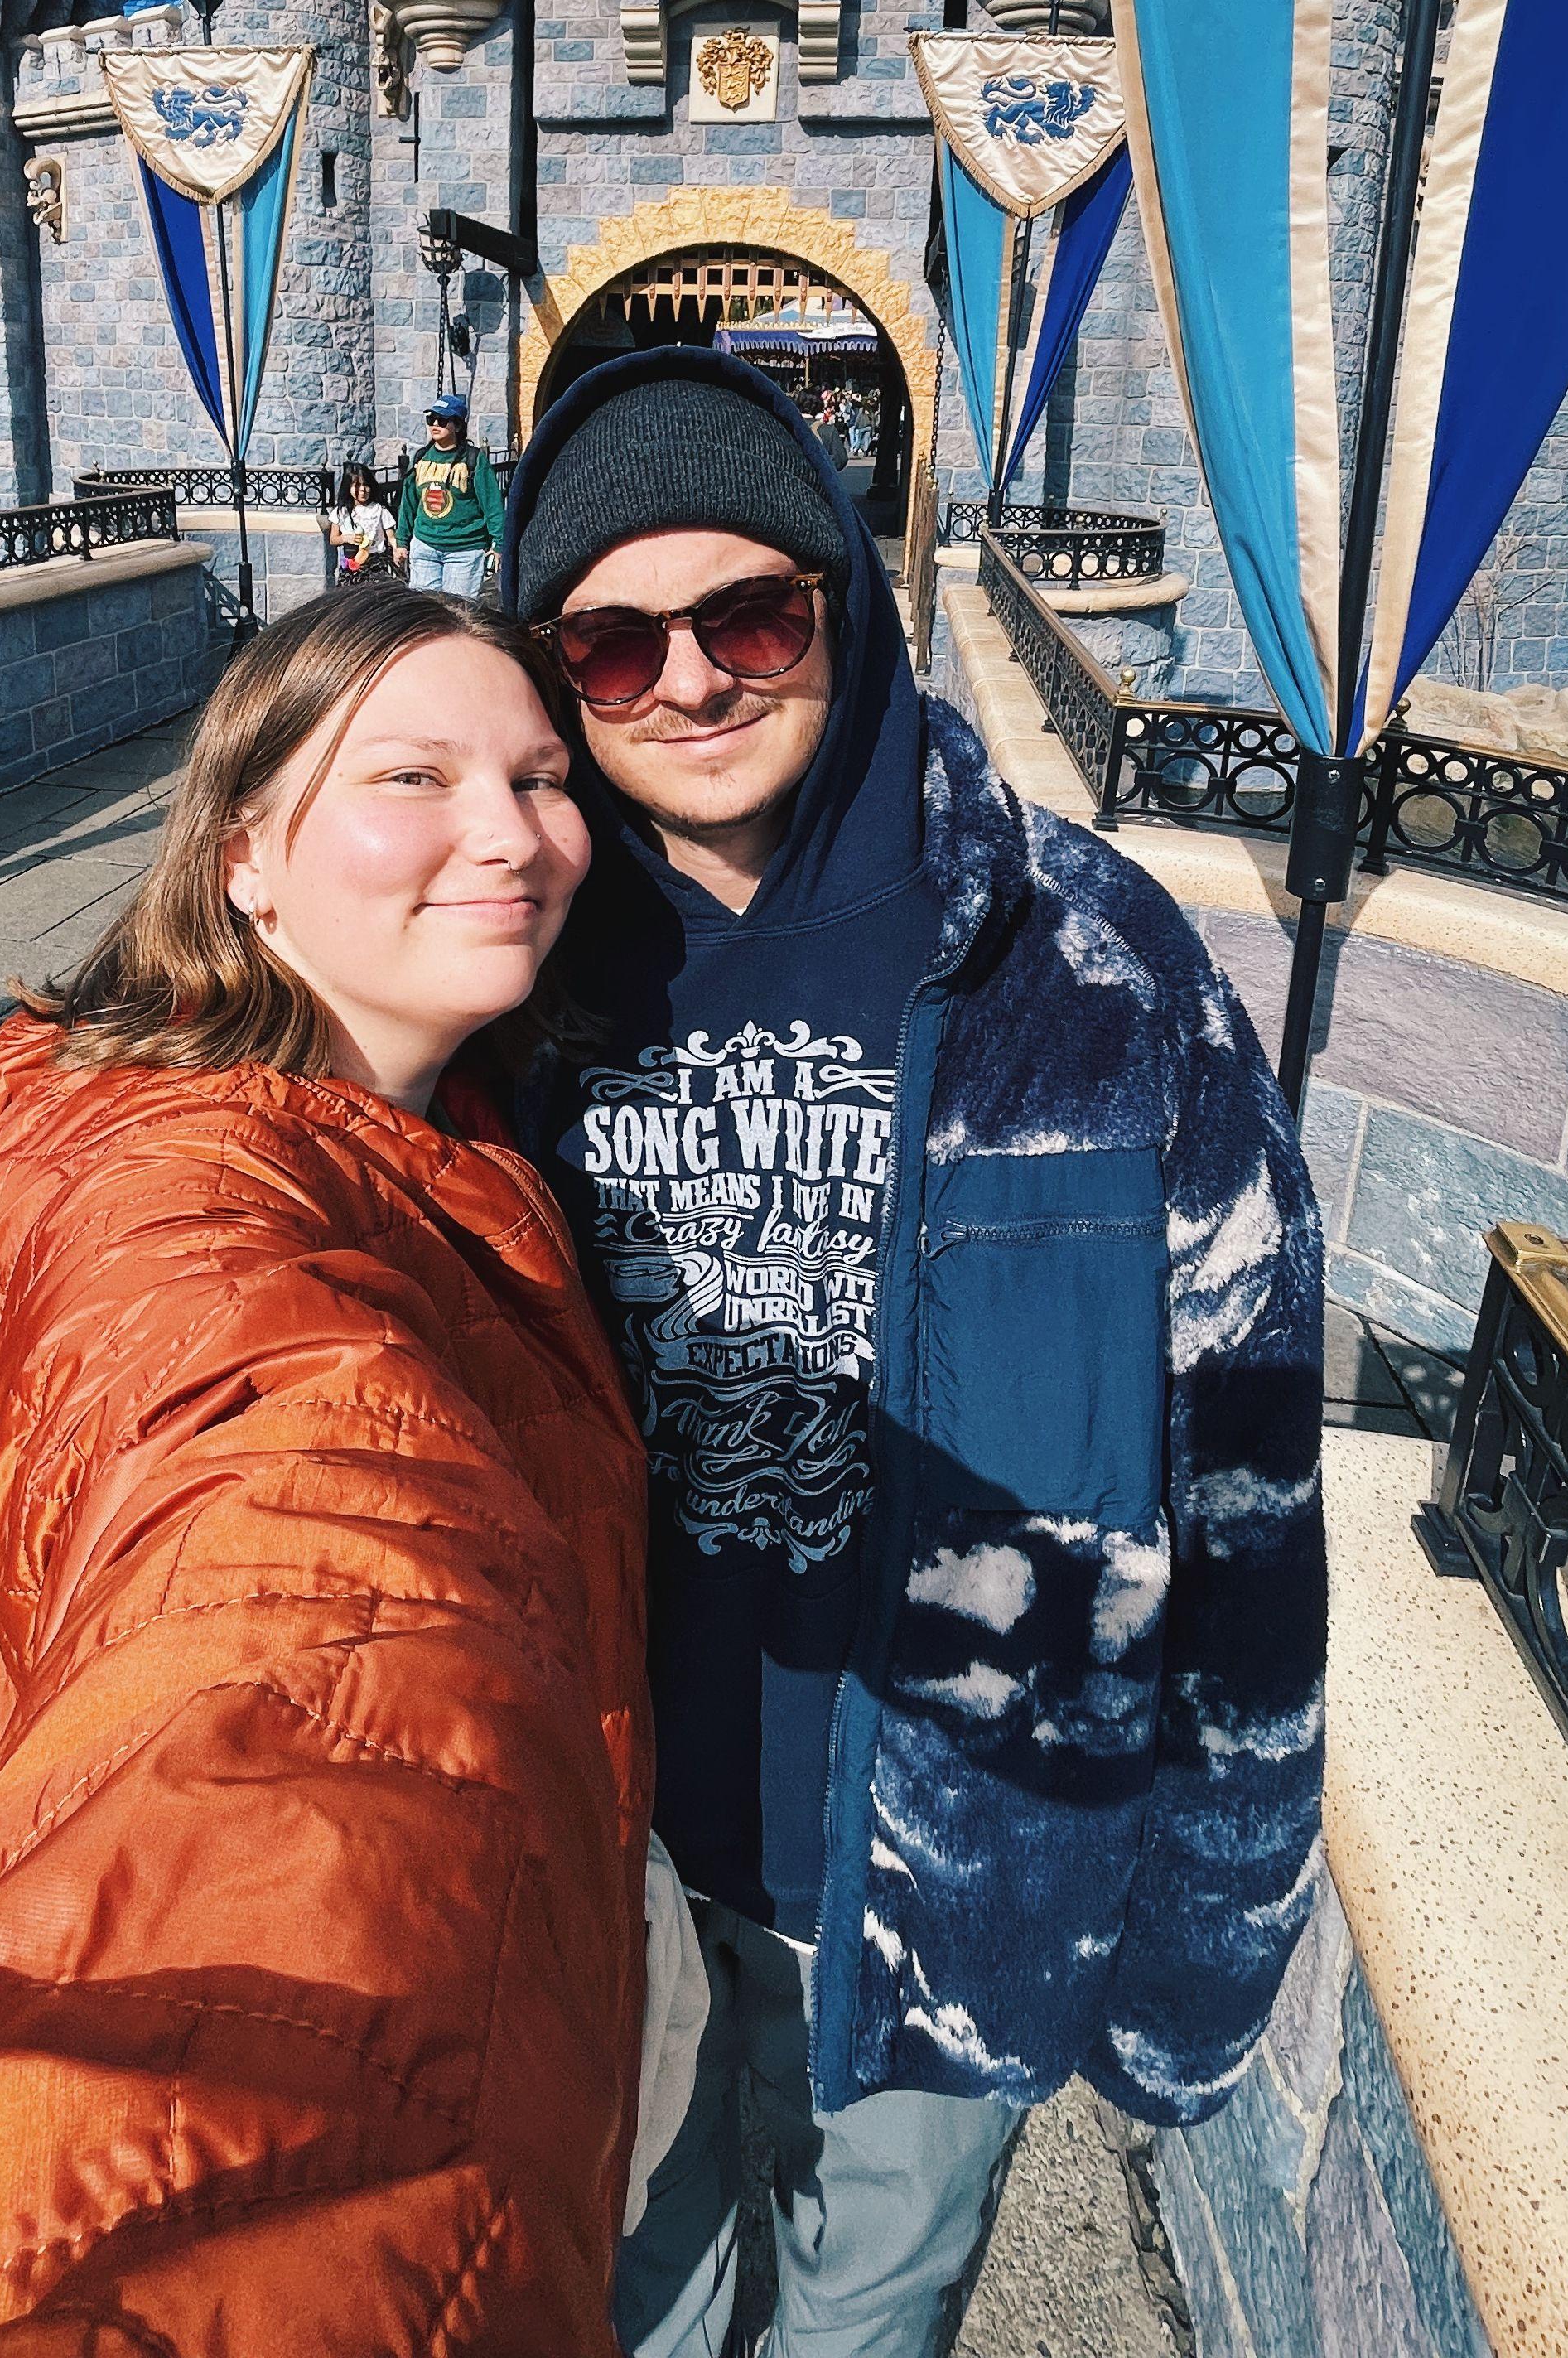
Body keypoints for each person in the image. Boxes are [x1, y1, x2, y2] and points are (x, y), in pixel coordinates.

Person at [0, 584, 659, 2358]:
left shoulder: (423, 1117)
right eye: (413, 777)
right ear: (245, 857)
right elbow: (299, 1589)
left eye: (541, 777)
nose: (512, 834)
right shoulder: (186, 1199)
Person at [501, 351, 1327, 2358]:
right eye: (613, 646)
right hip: (604, 1849)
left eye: (749, 617)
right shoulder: (508, 969)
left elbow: (1242, 1481)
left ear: (841, 600)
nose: (689, 684)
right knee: (632, 2305)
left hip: (961, 1871)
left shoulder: (1091, 970)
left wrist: (1207, 1936)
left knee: (864, 2321)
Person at [398, 391, 505, 599]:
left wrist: (498, 545)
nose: (435, 424)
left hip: (465, 551)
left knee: (458, 610)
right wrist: (402, 541)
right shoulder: (421, 457)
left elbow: (492, 505)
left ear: (456, 426)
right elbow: (409, 502)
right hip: (424, 546)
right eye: (431, 419)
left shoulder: (474, 459)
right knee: (425, 609)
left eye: (442, 420)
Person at [324, 456, 398, 580]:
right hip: (351, 562)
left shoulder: (380, 510)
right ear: (349, 487)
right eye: (357, 485)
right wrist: (346, 538)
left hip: (376, 562)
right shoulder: (341, 511)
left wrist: (398, 550)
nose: (362, 490)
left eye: (366, 485)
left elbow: (391, 537)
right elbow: (333, 539)